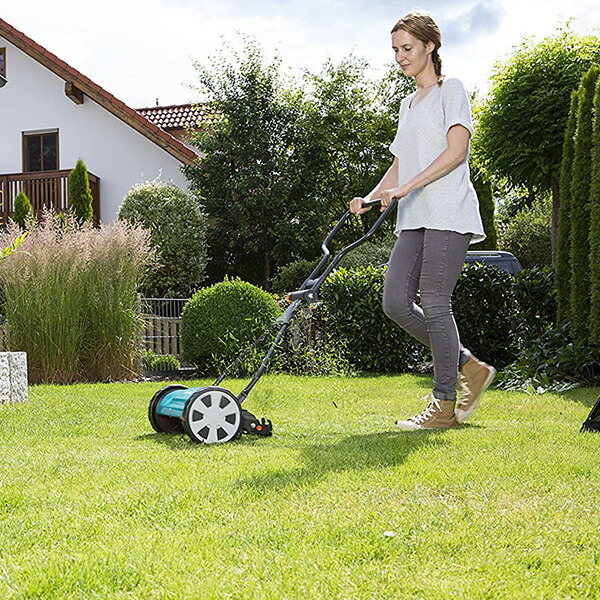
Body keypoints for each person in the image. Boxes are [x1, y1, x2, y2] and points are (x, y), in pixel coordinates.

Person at [349, 10, 496, 430]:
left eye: (407, 48)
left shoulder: (452, 90)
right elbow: (399, 164)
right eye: (395, 49)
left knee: (434, 302)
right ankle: (469, 365)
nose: (400, 56)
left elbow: (456, 152)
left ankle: (444, 404)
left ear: (430, 46)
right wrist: (374, 195)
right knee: (395, 301)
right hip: (414, 216)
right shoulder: (407, 103)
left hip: (448, 210)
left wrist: (408, 186)